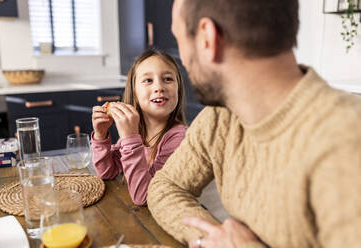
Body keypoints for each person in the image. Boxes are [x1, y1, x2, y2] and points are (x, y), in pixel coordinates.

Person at [147, 0, 361, 247]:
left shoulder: (346, 141)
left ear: (208, 38)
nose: (182, 59)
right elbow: (165, 186)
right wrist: (209, 240)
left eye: (180, 39)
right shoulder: (221, 117)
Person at [91, 49, 187, 206]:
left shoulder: (179, 138)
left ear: (179, 89)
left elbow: (145, 196)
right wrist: (101, 136)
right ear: (134, 92)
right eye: (148, 80)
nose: (159, 87)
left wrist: (129, 138)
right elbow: (107, 172)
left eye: (168, 79)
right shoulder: (138, 130)